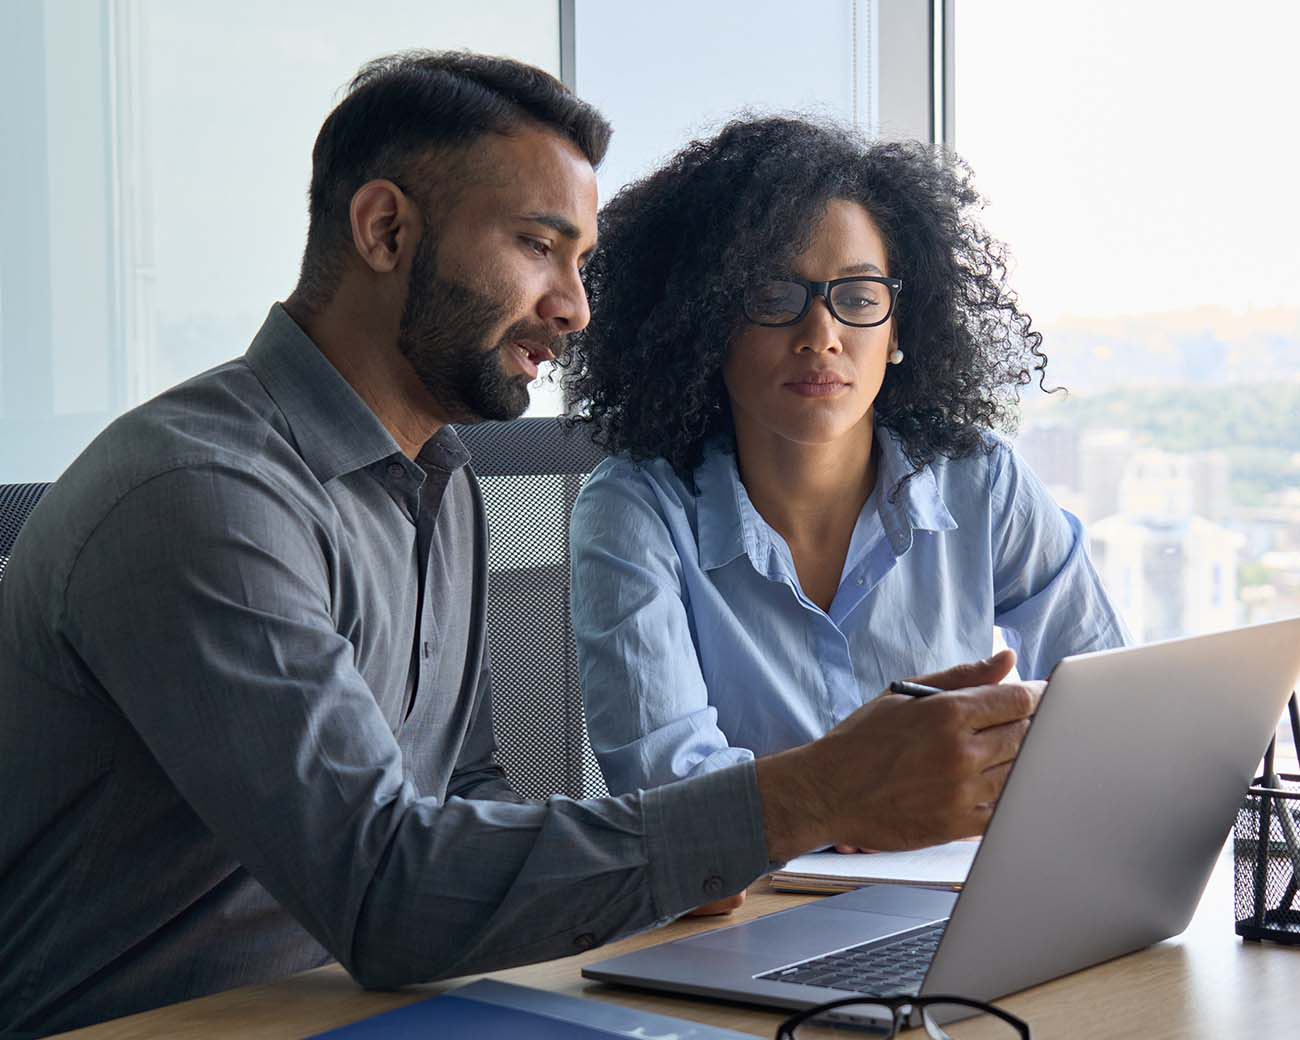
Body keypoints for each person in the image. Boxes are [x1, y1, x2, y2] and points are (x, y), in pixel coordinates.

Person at [0, 56, 1042, 1038]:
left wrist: (681, 849)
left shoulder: (439, 477)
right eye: (539, 247)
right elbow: (383, 889)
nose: (576, 307)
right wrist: (804, 796)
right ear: (383, 229)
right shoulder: (205, 495)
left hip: (369, 1007)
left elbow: (466, 792)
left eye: (581, 263)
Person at [565, 117, 1129, 913]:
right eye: (773, 296)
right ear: (704, 323)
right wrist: (854, 798)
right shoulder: (634, 510)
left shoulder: (980, 481)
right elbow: (678, 810)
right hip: (740, 926)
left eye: (859, 298)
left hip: (961, 904)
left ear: (900, 328)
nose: (821, 335)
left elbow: (1105, 704)